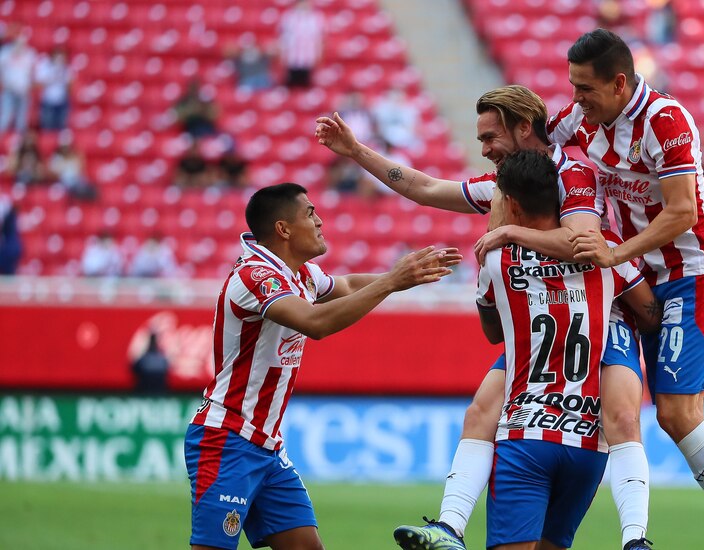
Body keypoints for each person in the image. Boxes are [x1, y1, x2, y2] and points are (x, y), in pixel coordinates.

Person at [318, 84, 658, 549]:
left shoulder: (572, 171)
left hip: (605, 307)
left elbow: (581, 241)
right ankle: (450, 525)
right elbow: (423, 188)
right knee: (481, 409)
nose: (484, 150)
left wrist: (506, 232)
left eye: (490, 137)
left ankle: (635, 537)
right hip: (544, 315)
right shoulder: (507, 183)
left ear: (523, 127)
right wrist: (356, 150)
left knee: (621, 415)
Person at [548, 28, 704, 549]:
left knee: (678, 411)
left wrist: (616, 253)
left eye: (585, 89)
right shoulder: (578, 119)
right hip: (637, 278)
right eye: (572, 87)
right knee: (646, 410)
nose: (575, 100)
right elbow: (530, 148)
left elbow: (682, 212)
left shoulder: (666, 119)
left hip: (691, 270)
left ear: (618, 84)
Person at [185, 182, 461, 550]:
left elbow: (345, 285)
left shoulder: (299, 273)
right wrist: (392, 281)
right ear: (283, 229)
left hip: (267, 447)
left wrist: (407, 277)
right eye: (310, 213)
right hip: (228, 439)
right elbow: (316, 323)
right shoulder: (256, 276)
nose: (320, 221)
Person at [468, 150, 658, 550]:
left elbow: (492, 332)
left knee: (479, 413)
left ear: (512, 204)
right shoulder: (603, 251)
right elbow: (649, 312)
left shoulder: (497, 259)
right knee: (626, 422)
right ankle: (636, 537)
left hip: (526, 433)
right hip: (588, 443)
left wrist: (501, 235)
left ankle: (450, 523)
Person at [279, 0, 324, 88]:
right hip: (292, 52)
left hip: (308, 52)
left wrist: (319, 52)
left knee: (305, 79)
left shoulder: (315, 17)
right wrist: (282, 51)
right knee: (291, 79)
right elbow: (284, 35)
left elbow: (318, 36)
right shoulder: (289, 17)